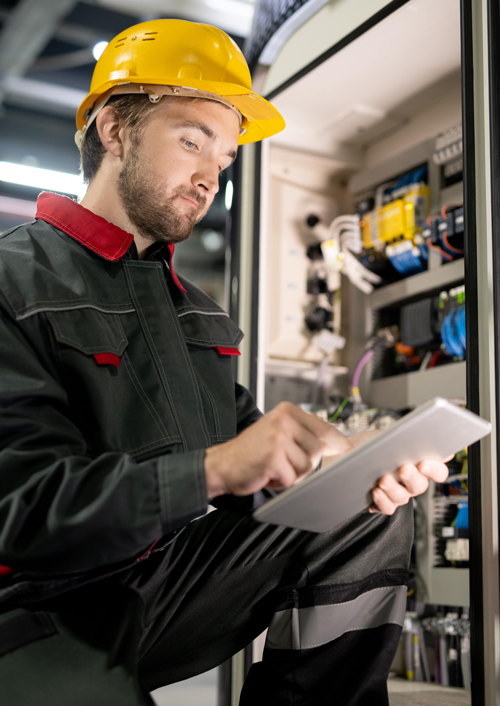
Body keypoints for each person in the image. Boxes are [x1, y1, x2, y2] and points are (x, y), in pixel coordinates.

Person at [0, 20, 448, 705]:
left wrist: (349, 465)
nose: (211, 175)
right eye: (191, 141)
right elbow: (21, 512)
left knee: (364, 513)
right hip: (34, 609)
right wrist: (215, 470)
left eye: (225, 159)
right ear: (116, 129)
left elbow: (257, 478)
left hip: (158, 588)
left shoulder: (197, 315)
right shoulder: (13, 280)